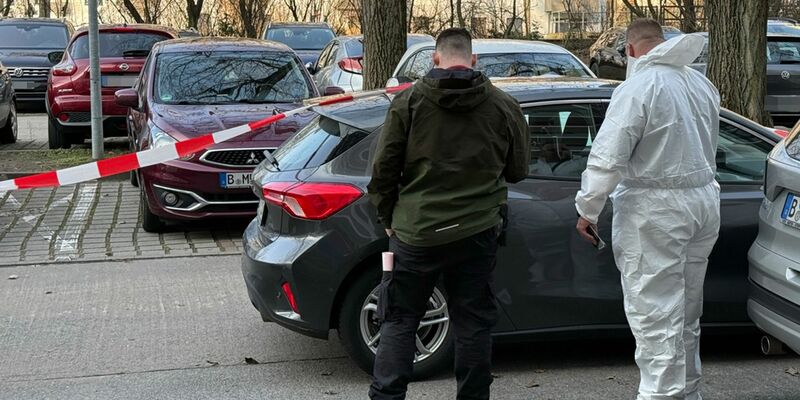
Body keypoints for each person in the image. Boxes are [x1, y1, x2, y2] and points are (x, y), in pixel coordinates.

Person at [367, 27, 530, 400]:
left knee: (400, 320)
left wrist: (387, 217)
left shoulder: (408, 104)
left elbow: (383, 171)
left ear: (435, 59)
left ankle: (387, 396)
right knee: (472, 323)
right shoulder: (504, 105)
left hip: (416, 232)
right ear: (473, 60)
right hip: (476, 231)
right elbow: (518, 170)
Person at [574, 19, 721, 400]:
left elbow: (609, 156)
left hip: (656, 210)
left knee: (656, 314)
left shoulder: (639, 87)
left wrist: (588, 208)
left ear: (632, 49)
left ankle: (661, 395)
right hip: (702, 202)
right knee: (686, 312)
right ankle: (687, 392)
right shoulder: (699, 84)